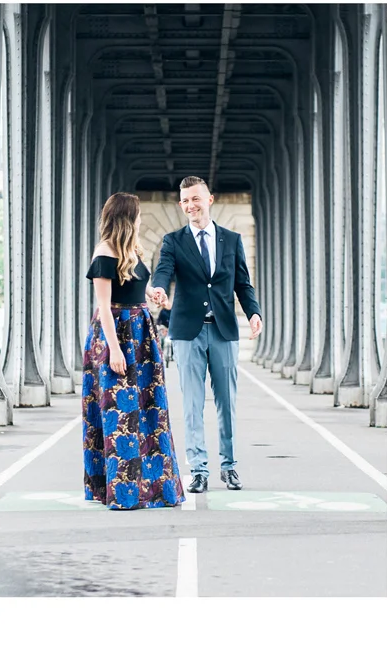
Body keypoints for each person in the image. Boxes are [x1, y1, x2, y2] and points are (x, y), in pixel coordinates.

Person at [151, 176, 263, 494]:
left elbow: (243, 283)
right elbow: (164, 269)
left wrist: (254, 312)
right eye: (185, 200)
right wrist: (159, 287)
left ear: (209, 199)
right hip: (188, 331)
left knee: (227, 402)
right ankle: (198, 469)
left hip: (224, 330)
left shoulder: (232, 239)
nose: (190, 206)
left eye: (195, 199)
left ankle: (229, 467)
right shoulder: (173, 241)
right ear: (180, 204)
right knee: (192, 403)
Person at [82, 192, 185, 510]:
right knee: (121, 415)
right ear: (127, 218)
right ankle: (123, 491)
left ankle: (154, 488)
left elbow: (138, 286)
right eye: (138, 215)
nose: (141, 220)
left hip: (142, 333)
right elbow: (103, 307)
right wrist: (114, 350)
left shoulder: (133, 251)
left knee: (150, 409)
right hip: (117, 335)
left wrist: (154, 292)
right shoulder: (104, 252)